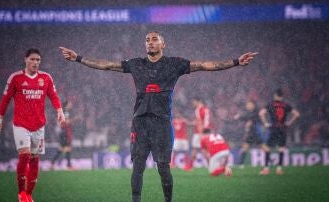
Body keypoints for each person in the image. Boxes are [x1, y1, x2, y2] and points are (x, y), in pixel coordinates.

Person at [59, 31, 257, 202]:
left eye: (154, 39)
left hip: (162, 123)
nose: (150, 42)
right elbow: (107, 65)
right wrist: (78, 58)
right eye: (147, 39)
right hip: (140, 122)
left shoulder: (174, 64)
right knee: (137, 166)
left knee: (163, 168)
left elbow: (205, 65)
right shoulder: (136, 64)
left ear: (163, 44)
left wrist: (236, 62)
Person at [0, 48, 65, 202]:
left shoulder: (46, 78)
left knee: (35, 158)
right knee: (24, 155)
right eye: (32, 59)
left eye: (38, 60)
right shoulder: (16, 78)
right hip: (21, 124)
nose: (35, 62)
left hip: (39, 125)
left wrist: (59, 110)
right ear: (25, 59)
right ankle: (21, 193)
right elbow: (5, 100)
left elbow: (53, 95)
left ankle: (29, 194)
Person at [258, 88, 300, 175]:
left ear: (275, 95)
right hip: (283, 128)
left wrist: (265, 123)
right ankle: (279, 169)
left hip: (274, 128)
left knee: (266, 148)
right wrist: (289, 123)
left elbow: (261, 113)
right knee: (281, 149)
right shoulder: (286, 105)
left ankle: (266, 169)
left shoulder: (271, 104)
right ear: (282, 96)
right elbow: (297, 114)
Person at [184, 97, 213, 171]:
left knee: (204, 151)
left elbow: (204, 123)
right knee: (195, 150)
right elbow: (199, 121)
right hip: (200, 132)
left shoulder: (202, 110)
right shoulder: (200, 110)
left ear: (198, 101)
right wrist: (191, 123)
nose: (193, 103)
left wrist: (202, 134)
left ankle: (212, 166)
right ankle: (190, 166)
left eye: (194, 102)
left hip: (203, 133)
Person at [233, 100, 264, 168]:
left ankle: (269, 161)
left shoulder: (256, 112)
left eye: (249, 104)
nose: (247, 106)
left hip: (255, 133)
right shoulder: (250, 112)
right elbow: (247, 118)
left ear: (253, 105)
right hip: (251, 133)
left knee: (264, 148)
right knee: (245, 148)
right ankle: (241, 164)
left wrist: (240, 117)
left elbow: (249, 118)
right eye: (247, 104)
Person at [51, 100, 79, 170]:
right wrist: (75, 119)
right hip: (65, 133)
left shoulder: (65, 112)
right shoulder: (66, 112)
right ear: (67, 105)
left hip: (64, 133)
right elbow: (66, 122)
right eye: (70, 103)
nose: (71, 104)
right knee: (67, 149)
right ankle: (68, 166)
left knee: (61, 149)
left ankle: (52, 163)